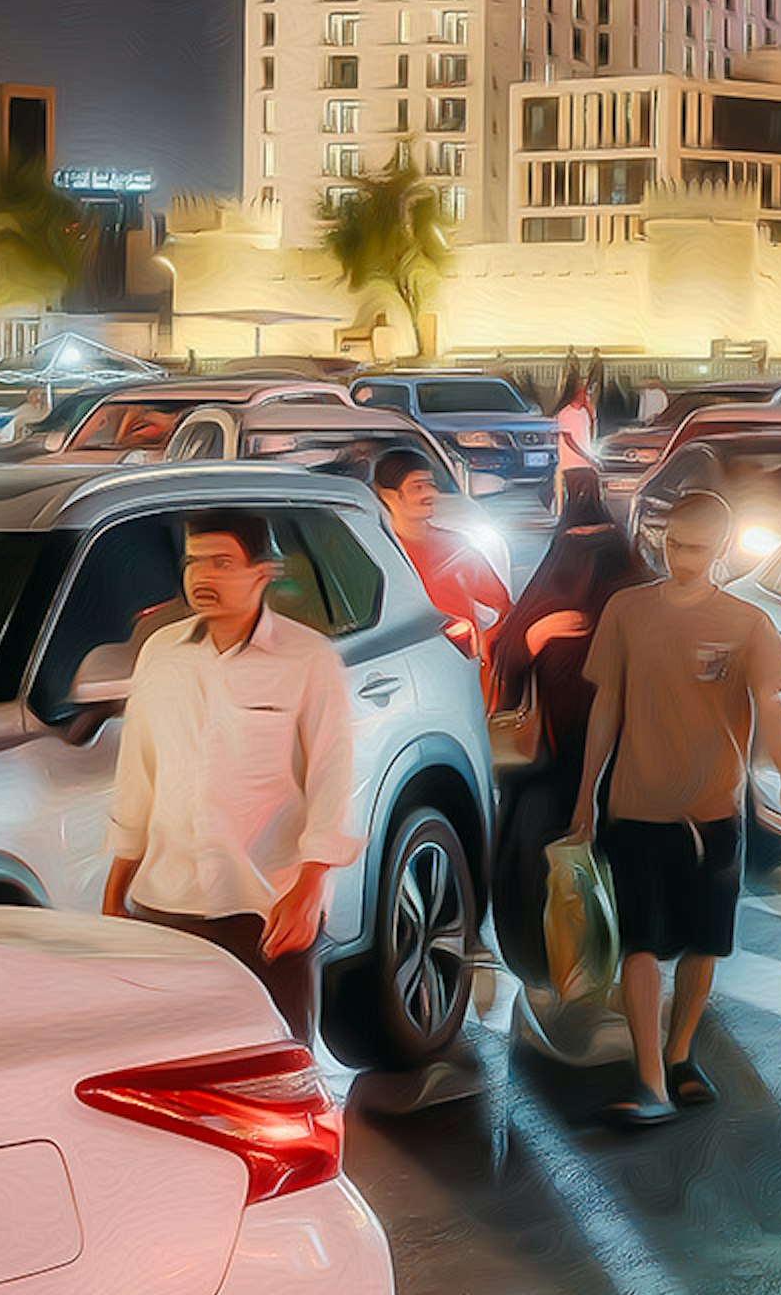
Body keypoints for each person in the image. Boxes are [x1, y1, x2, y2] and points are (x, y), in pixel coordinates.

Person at [570, 488, 781, 1129]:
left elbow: (770, 705)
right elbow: (606, 706)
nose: (681, 559)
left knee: (705, 947)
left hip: (713, 814)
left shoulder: (745, 623)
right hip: (636, 805)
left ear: (722, 550)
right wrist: (588, 793)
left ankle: (679, 1056)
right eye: (673, 545)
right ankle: (649, 1076)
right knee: (640, 947)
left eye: (696, 549)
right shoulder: (626, 611)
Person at [104, 511, 358, 1044]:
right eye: (194, 561)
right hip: (165, 902)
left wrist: (311, 888)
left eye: (222, 562)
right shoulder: (160, 655)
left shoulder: (308, 659)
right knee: (169, 1068)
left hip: (263, 908)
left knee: (276, 1069)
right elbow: (138, 773)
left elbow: (332, 779)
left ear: (263, 571)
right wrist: (114, 895)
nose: (202, 577)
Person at [486, 471, 651, 980]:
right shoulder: (632, 593)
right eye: (576, 551)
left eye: (597, 552)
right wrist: (533, 639)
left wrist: (532, 639)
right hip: (573, 763)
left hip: (585, 767)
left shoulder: (616, 606)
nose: (585, 573)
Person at [374, 446, 507, 664]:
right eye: (418, 487)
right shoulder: (378, 552)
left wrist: (487, 650)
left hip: (461, 665)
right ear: (389, 496)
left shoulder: (455, 546)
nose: (430, 494)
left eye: (431, 485)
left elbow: (501, 606)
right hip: (405, 668)